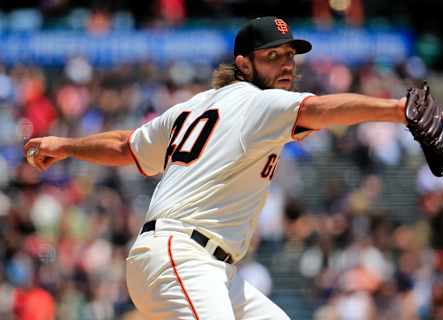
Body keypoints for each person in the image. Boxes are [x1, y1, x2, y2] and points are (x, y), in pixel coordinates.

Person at [24, 16, 407, 320]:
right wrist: (396, 110)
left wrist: (65, 146)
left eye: (290, 55)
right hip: (183, 256)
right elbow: (317, 110)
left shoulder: (195, 105)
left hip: (207, 268)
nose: (286, 65)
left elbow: (127, 145)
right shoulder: (260, 103)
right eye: (272, 56)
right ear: (243, 64)